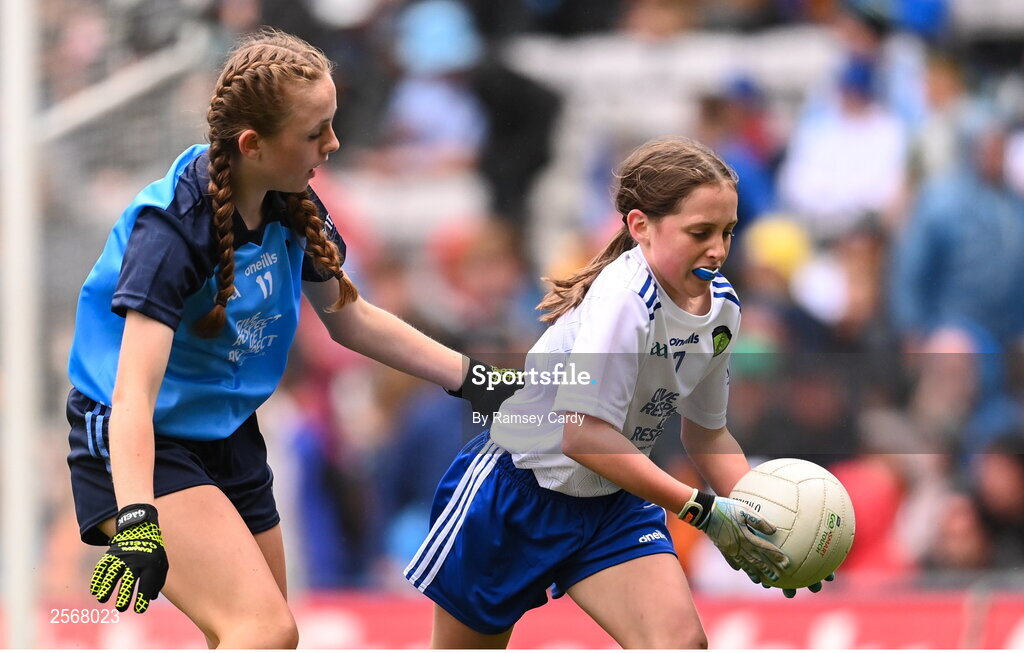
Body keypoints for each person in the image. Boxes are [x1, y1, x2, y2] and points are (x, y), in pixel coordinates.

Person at [66, 29, 514, 649]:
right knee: (262, 630)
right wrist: (139, 517)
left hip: (226, 433)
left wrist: (474, 379)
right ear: (253, 144)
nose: (333, 144)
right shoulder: (172, 231)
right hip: (138, 442)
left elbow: (351, 319)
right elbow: (132, 395)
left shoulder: (291, 202)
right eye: (315, 132)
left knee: (273, 637)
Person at [405, 137, 826, 649]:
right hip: (517, 496)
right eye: (700, 232)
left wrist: (767, 522)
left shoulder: (722, 309)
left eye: (727, 232)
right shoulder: (625, 299)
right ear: (640, 226)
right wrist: (700, 510)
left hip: (613, 501)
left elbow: (708, 435)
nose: (718, 249)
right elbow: (583, 437)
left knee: (680, 645)